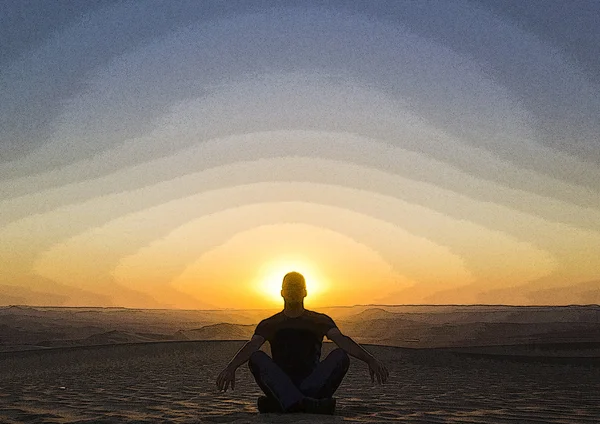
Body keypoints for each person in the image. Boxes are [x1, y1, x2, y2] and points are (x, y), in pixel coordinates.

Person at [215, 271, 390, 414]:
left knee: (340, 356)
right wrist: (231, 367)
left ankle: (289, 403)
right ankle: (307, 404)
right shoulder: (270, 324)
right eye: (289, 287)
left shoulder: (319, 320)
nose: (293, 291)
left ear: (305, 291)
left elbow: (342, 341)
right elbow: (252, 345)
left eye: (297, 287)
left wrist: (370, 360)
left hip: (313, 382)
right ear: (282, 292)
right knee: (256, 358)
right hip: (280, 382)